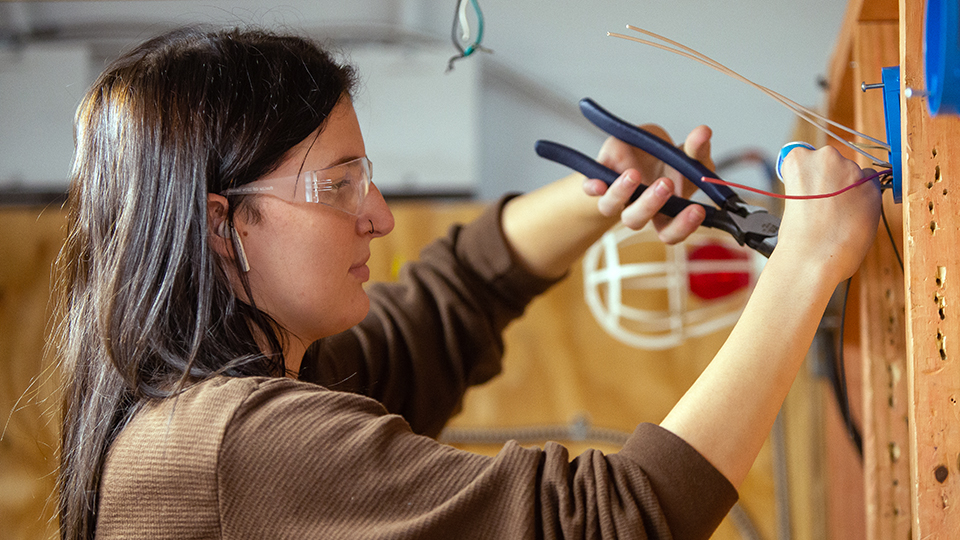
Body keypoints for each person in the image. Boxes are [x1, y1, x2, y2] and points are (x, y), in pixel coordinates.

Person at [52, 26, 880, 540]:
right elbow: (607, 524)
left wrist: (603, 190)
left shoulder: (198, 415)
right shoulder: (239, 446)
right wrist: (805, 262)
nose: (375, 214)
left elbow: (442, 311)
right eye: (337, 184)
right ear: (217, 226)